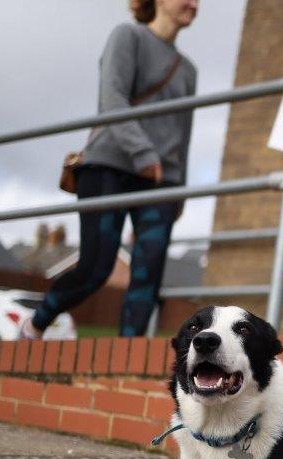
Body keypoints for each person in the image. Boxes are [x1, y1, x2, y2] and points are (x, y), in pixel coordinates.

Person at [21, 0, 198, 339]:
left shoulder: (188, 70)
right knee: (96, 268)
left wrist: (182, 190)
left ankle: (124, 360)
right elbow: (112, 100)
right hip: (109, 166)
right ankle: (35, 323)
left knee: (148, 275)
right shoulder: (127, 37)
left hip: (161, 181)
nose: (193, 3)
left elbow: (184, 132)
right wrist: (144, 153)